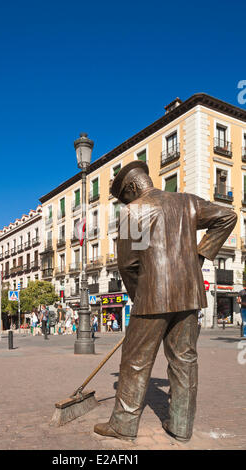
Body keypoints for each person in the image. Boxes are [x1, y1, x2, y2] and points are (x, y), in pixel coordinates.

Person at [94, 160, 237, 443]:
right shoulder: (187, 202)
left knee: (135, 361)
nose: (126, 200)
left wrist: (139, 297)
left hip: (152, 296)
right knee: (185, 360)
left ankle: (124, 424)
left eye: (125, 195)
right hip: (189, 293)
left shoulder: (133, 211)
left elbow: (129, 265)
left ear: (133, 187)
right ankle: (181, 426)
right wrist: (198, 257)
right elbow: (227, 216)